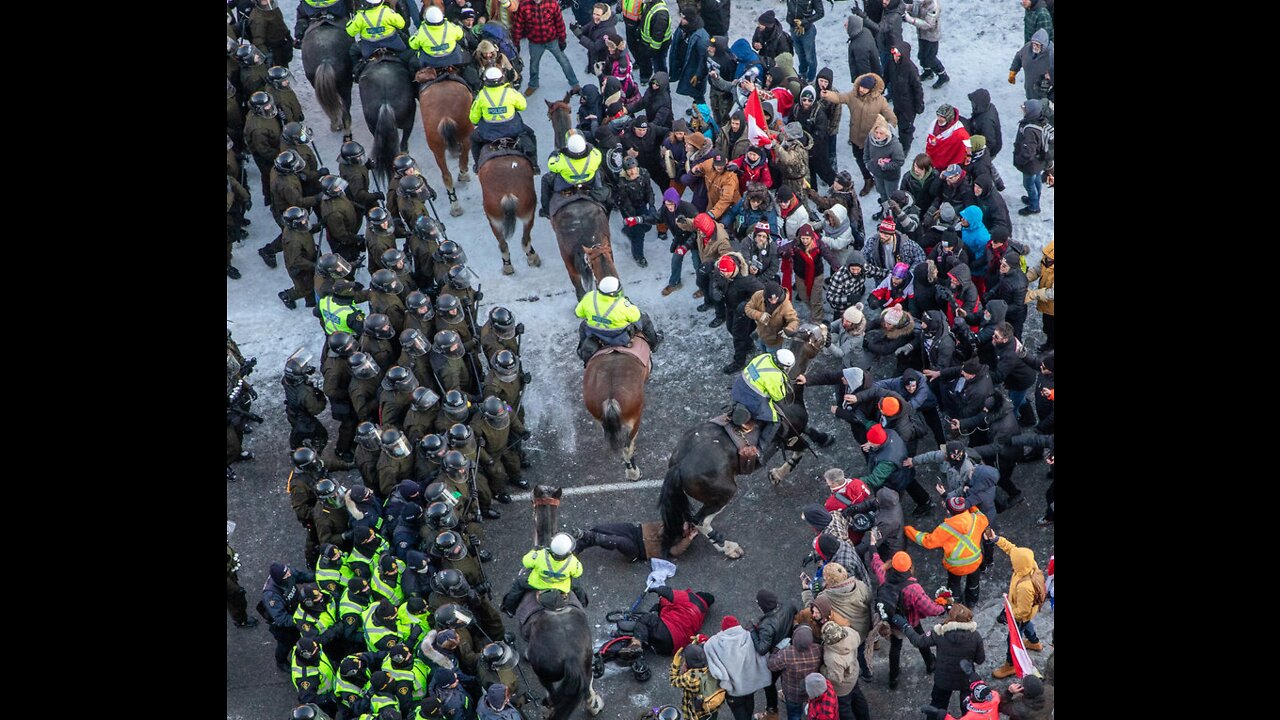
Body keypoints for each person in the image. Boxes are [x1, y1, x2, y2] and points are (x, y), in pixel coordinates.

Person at [892, 603, 986, 716]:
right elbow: (980, 660)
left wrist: (905, 626)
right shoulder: (975, 636)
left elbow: (918, 641)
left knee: (937, 708)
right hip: (965, 679)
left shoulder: (939, 632)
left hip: (943, 679)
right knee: (969, 711)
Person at [984, 528, 1047, 678]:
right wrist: (996, 538)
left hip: (1019, 614)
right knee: (1027, 624)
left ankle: (1010, 665)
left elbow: (1023, 612)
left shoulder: (1025, 587)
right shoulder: (1030, 564)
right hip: (1028, 612)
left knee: (1012, 638)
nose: (1011, 560)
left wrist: (1008, 614)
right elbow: (1012, 549)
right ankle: (1034, 642)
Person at [821, 74, 896, 198]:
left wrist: (886, 132)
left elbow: (891, 118)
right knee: (859, 160)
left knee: (874, 163)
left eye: (865, 88)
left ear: (871, 89)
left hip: (872, 140)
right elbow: (840, 97)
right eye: (861, 87)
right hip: (856, 137)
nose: (861, 90)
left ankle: (879, 181)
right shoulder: (853, 96)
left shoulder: (880, 101)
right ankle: (868, 179)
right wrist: (827, 94)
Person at [905, 496, 988, 606]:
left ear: (948, 511)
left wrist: (908, 530)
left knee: (954, 584)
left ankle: (955, 604)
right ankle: (972, 601)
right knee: (973, 582)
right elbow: (983, 516)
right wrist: (971, 506)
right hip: (975, 562)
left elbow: (928, 542)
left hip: (955, 566)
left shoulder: (945, 528)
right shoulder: (976, 519)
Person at [573, 275, 662, 363]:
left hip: (595, 334)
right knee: (645, 318)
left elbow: (578, 313)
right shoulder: (622, 303)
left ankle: (582, 349)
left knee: (583, 325)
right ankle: (654, 343)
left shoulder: (589, 297)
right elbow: (636, 316)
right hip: (619, 337)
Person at [703, 614, 776, 720]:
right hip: (750, 685)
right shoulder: (749, 636)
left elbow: (715, 669)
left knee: (738, 712)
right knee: (749, 702)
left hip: (733, 691)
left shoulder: (714, 643)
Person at [469, 66, 540, 172]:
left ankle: (477, 166)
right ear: (501, 78)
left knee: (473, 139)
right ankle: (534, 165)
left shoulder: (481, 96)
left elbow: (473, 119)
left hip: (488, 134)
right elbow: (523, 106)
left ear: (486, 80)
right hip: (513, 130)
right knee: (531, 134)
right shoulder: (510, 92)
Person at [729, 348, 796, 460]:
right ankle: (760, 448)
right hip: (752, 400)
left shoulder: (764, 357)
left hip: (738, 387)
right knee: (776, 421)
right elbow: (778, 396)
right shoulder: (776, 376)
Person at [500, 532, 588, 615]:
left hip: (537, 584)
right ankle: (583, 603)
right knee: (577, 587)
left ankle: (509, 608)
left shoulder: (540, 555)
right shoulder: (573, 562)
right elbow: (577, 573)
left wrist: (534, 551)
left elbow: (526, 562)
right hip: (562, 587)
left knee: (518, 584)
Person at [511, 0, 581, 97]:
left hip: (552, 40)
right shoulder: (524, 5)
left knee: (564, 61)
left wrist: (562, 39)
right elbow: (518, 25)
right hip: (535, 42)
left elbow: (559, 22)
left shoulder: (552, 3)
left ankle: (574, 83)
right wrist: (516, 43)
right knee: (533, 64)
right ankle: (533, 84)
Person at [263, 563, 318, 671]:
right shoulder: (271, 596)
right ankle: (281, 661)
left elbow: (302, 576)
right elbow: (280, 619)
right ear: (279, 579)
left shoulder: (287, 573)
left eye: (288, 572)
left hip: (295, 610)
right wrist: (300, 620)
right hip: (283, 626)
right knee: (285, 644)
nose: (289, 574)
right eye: (286, 575)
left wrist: (319, 576)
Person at [540, 131, 606, 218]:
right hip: (589, 182)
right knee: (600, 175)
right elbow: (597, 156)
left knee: (545, 179)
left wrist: (554, 155)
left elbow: (551, 166)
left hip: (566, 184)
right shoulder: (595, 155)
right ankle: (605, 201)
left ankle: (546, 210)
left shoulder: (562, 159)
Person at [765, 625, 822, 720]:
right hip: (811, 690)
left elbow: (771, 665)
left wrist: (777, 649)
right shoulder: (818, 649)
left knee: (794, 715)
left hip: (793, 693)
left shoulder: (787, 653)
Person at [818, 621, 870, 720]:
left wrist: (823, 669)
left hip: (843, 687)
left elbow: (836, 678)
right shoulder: (850, 633)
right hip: (854, 673)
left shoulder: (832, 657)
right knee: (858, 700)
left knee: (844, 710)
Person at [1012, 100, 1052, 216]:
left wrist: (1019, 160)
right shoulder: (1040, 122)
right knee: (1037, 180)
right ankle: (1035, 198)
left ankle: (1034, 206)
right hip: (1039, 162)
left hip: (1030, 164)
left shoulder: (1030, 130)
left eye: (1025, 108)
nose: (1023, 109)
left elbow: (1028, 152)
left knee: (1029, 184)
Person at [345, 0, 408, 64]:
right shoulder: (387, 12)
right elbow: (402, 24)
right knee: (407, 51)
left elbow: (350, 32)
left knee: (353, 52)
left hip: (369, 48)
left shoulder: (360, 16)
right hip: (393, 44)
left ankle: (355, 71)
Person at [668, 7, 710, 103]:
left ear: (689, 20)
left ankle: (701, 112)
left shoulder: (702, 37)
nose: (680, 20)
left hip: (693, 69)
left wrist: (698, 75)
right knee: (692, 92)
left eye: (683, 18)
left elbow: (704, 60)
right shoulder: (684, 27)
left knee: (697, 94)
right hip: (684, 65)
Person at [903, 0, 947, 88]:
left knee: (930, 58)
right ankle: (928, 72)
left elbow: (928, 24)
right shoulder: (922, 2)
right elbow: (916, 9)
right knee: (922, 56)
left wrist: (910, 20)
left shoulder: (934, 6)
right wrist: (906, 7)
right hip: (922, 34)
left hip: (931, 36)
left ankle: (943, 76)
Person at [669, 643, 718, 720]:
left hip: (695, 713)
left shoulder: (690, 678)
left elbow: (674, 681)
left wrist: (675, 666)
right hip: (712, 706)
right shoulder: (711, 667)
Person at [1023, 239, 1054, 351]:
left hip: (1052, 305)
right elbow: (1036, 270)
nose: (1046, 257)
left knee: (1052, 327)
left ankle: (1051, 346)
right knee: (1047, 325)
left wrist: (1032, 294)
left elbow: (1052, 293)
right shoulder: (1046, 260)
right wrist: (1024, 279)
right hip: (1048, 305)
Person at [1008, 29, 1054, 101]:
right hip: (1029, 90)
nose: (1034, 47)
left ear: (1044, 45)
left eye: (1037, 45)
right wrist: (1013, 72)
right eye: (1033, 44)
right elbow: (1018, 57)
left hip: (1044, 96)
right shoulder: (1027, 48)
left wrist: (1050, 98)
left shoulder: (1051, 55)